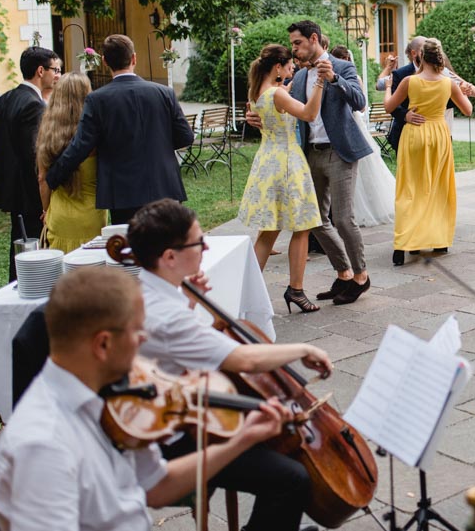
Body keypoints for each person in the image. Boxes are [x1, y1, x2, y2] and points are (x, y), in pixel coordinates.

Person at [0, 266, 287, 531]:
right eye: (137, 331)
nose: (144, 340)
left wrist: (242, 440)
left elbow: (158, 486)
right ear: (103, 344)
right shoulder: (43, 446)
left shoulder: (109, 401)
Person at [127, 199, 336, 531]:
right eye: (198, 242)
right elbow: (245, 360)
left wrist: (191, 300)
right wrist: (302, 348)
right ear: (169, 257)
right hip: (171, 437)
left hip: (167, 411)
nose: (205, 246)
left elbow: (179, 349)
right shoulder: (166, 316)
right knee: (291, 478)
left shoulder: (144, 289)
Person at [248, 20, 373, 306]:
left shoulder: (341, 67)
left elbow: (360, 102)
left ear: (313, 39)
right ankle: (343, 273)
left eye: (297, 43)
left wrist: (334, 80)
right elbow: (280, 108)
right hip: (308, 155)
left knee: (342, 218)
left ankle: (361, 276)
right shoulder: (301, 77)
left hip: (340, 152)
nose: (294, 49)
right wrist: (258, 118)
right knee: (315, 220)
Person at [45, 35, 194, 226]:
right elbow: (186, 137)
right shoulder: (164, 93)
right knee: (168, 247)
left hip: (123, 192)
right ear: (134, 58)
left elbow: (80, 145)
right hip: (164, 184)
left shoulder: (98, 100)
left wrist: (52, 177)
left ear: (105, 61)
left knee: (131, 250)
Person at [237, 44, 324, 312]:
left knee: (269, 231)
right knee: (301, 226)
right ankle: (295, 289)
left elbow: (280, 98)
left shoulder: (258, 93)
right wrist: (320, 82)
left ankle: (244, 290)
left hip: (268, 161)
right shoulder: (277, 94)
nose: (292, 69)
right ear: (278, 67)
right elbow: (309, 114)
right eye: (288, 66)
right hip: (287, 162)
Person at [384, 38, 473, 264]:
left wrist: (387, 89)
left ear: (420, 56)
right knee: (438, 187)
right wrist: (460, 90)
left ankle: (402, 245)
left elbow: (389, 106)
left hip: (414, 134)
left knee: (410, 189)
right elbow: (468, 109)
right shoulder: (448, 83)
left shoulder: (408, 81)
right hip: (439, 135)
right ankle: (439, 239)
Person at [0, 45, 60, 281]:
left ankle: (16, 284)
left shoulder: (4, 100)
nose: (56, 74)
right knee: (34, 247)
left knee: (18, 245)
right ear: (41, 71)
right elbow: (35, 155)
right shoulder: (35, 105)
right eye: (54, 69)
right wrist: (44, 200)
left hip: (9, 187)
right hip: (29, 191)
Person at [35, 73, 107, 252]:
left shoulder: (47, 132)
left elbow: (42, 179)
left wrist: (46, 210)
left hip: (60, 215)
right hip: (93, 214)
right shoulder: (96, 133)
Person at [331, 45, 395, 226]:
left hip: (354, 122)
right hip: (340, 125)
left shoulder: (354, 78)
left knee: (365, 166)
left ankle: (366, 207)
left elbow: (362, 105)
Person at [386, 36, 427, 153]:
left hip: (433, 131)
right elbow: (392, 104)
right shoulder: (400, 74)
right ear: (414, 53)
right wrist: (405, 115)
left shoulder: (440, 73)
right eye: (424, 50)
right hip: (405, 130)